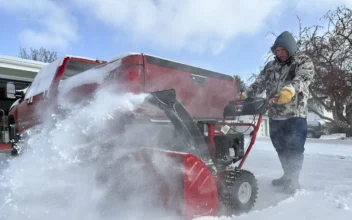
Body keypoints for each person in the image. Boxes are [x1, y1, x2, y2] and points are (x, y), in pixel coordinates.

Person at [241, 31, 315, 194]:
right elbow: (259, 83)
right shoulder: (271, 66)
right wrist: (246, 93)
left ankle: (293, 179)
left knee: (294, 149)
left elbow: (303, 78)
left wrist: (289, 90)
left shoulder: (302, 61)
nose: (279, 53)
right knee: (280, 148)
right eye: (277, 50)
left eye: (283, 50)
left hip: (295, 114)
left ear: (290, 48)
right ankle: (287, 175)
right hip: (274, 114)